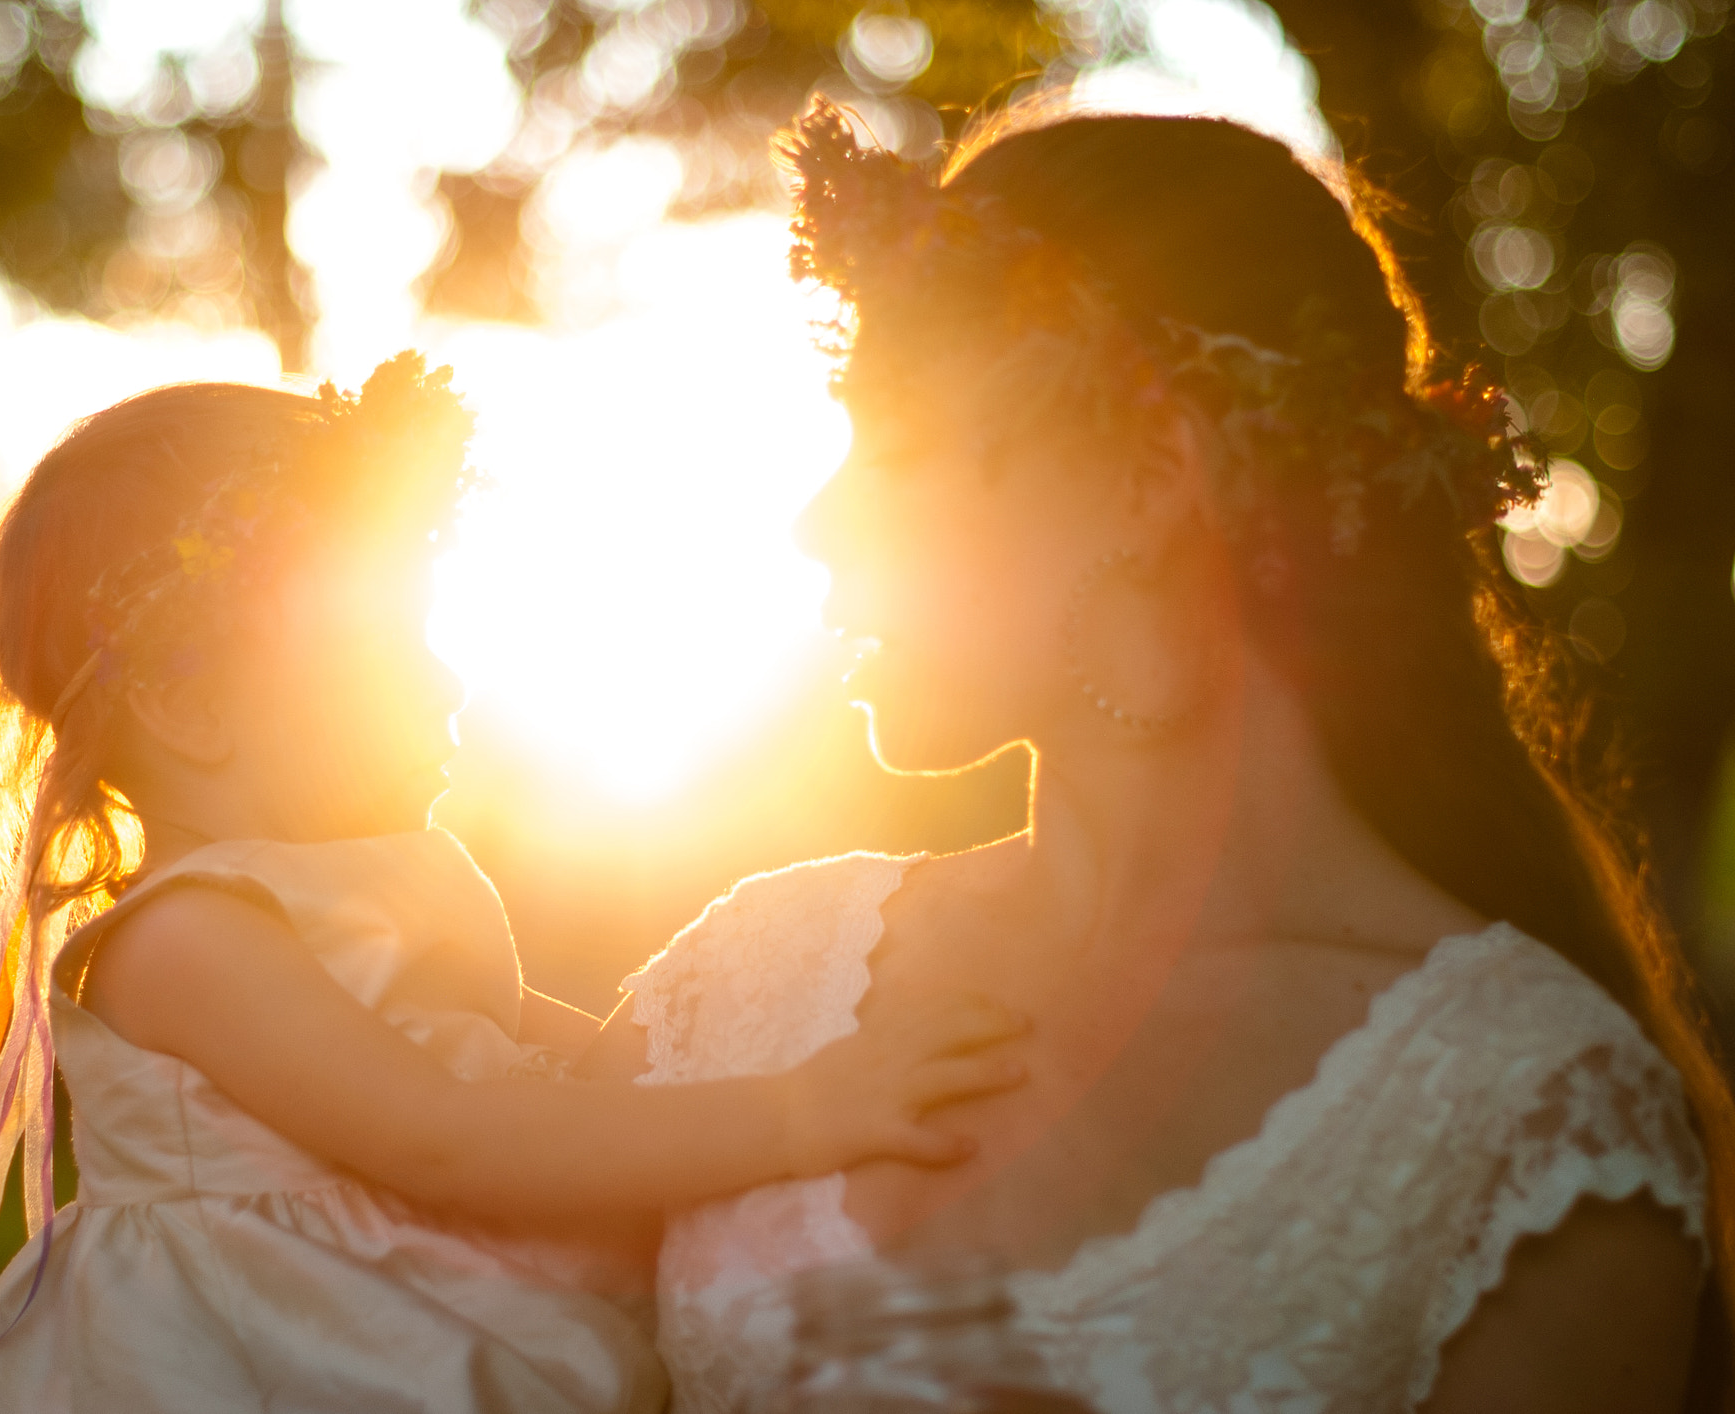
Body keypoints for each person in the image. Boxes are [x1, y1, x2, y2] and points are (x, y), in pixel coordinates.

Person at [582, 102, 1733, 1412]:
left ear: (1146, 479)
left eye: (895, 443)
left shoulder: (1525, 1123)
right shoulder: (747, 979)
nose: (816, 518)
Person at [0, 354, 1030, 1413]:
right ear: (188, 701)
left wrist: (786, 1018)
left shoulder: (391, 887)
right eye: (382, 644)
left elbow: (601, 1068)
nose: (446, 679)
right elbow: (447, 1135)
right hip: (256, 1364)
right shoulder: (190, 941)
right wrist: (804, 1106)